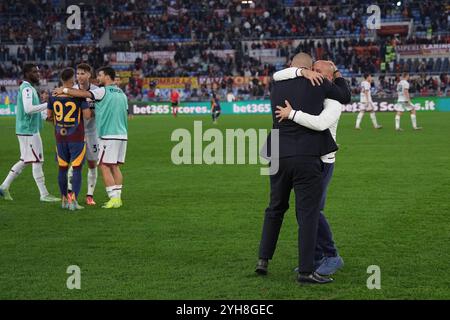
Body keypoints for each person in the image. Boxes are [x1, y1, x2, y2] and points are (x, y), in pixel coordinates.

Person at [255, 53, 351, 284]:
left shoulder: (277, 84)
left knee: (275, 209)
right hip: (308, 156)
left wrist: (299, 73)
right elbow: (345, 95)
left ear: (291, 65)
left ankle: (263, 260)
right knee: (309, 213)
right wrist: (331, 74)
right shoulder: (320, 86)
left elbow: (280, 73)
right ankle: (308, 269)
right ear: (310, 69)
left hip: (278, 152)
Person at [53, 66, 128, 209]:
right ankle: (117, 198)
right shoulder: (122, 93)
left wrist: (64, 90)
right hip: (122, 134)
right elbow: (125, 112)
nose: (98, 78)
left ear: (106, 76)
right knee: (114, 166)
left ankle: (112, 198)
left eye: (100, 75)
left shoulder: (100, 91)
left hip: (107, 134)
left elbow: (84, 96)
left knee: (103, 165)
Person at [0, 63, 59, 202]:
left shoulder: (29, 88)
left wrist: (46, 116)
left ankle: (4, 186)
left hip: (28, 130)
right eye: (34, 72)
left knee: (26, 160)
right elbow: (28, 109)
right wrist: (49, 104)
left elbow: (34, 112)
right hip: (28, 131)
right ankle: (44, 194)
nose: (38, 74)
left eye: (38, 72)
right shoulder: (27, 89)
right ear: (26, 74)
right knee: (36, 161)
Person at [47, 68, 91, 210]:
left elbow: (48, 116)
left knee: (62, 168)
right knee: (77, 168)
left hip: (60, 137)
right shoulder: (78, 96)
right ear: (72, 79)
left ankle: (64, 199)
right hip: (76, 136)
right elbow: (87, 115)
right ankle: (73, 201)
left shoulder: (53, 94)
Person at [67, 63, 99, 206]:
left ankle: (89, 196)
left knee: (92, 164)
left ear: (89, 75)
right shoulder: (71, 91)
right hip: (76, 133)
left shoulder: (97, 91)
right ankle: (69, 194)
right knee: (75, 164)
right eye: (77, 73)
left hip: (92, 132)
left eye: (82, 73)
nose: (79, 76)